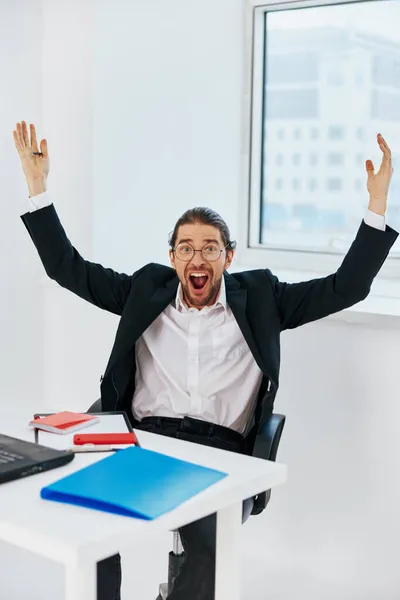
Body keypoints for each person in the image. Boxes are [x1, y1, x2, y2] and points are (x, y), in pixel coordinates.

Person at [13, 120, 396, 600]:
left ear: (228, 257)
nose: (198, 258)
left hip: (219, 453)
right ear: (172, 257)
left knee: (207, 552)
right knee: (91, 527)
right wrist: (37, 188)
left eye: (210, 248)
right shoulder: (144, 290)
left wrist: (376, 205)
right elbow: (66, 267)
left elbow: (347, 287)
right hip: (142, 441)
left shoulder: (262, 299)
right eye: (187, 248)